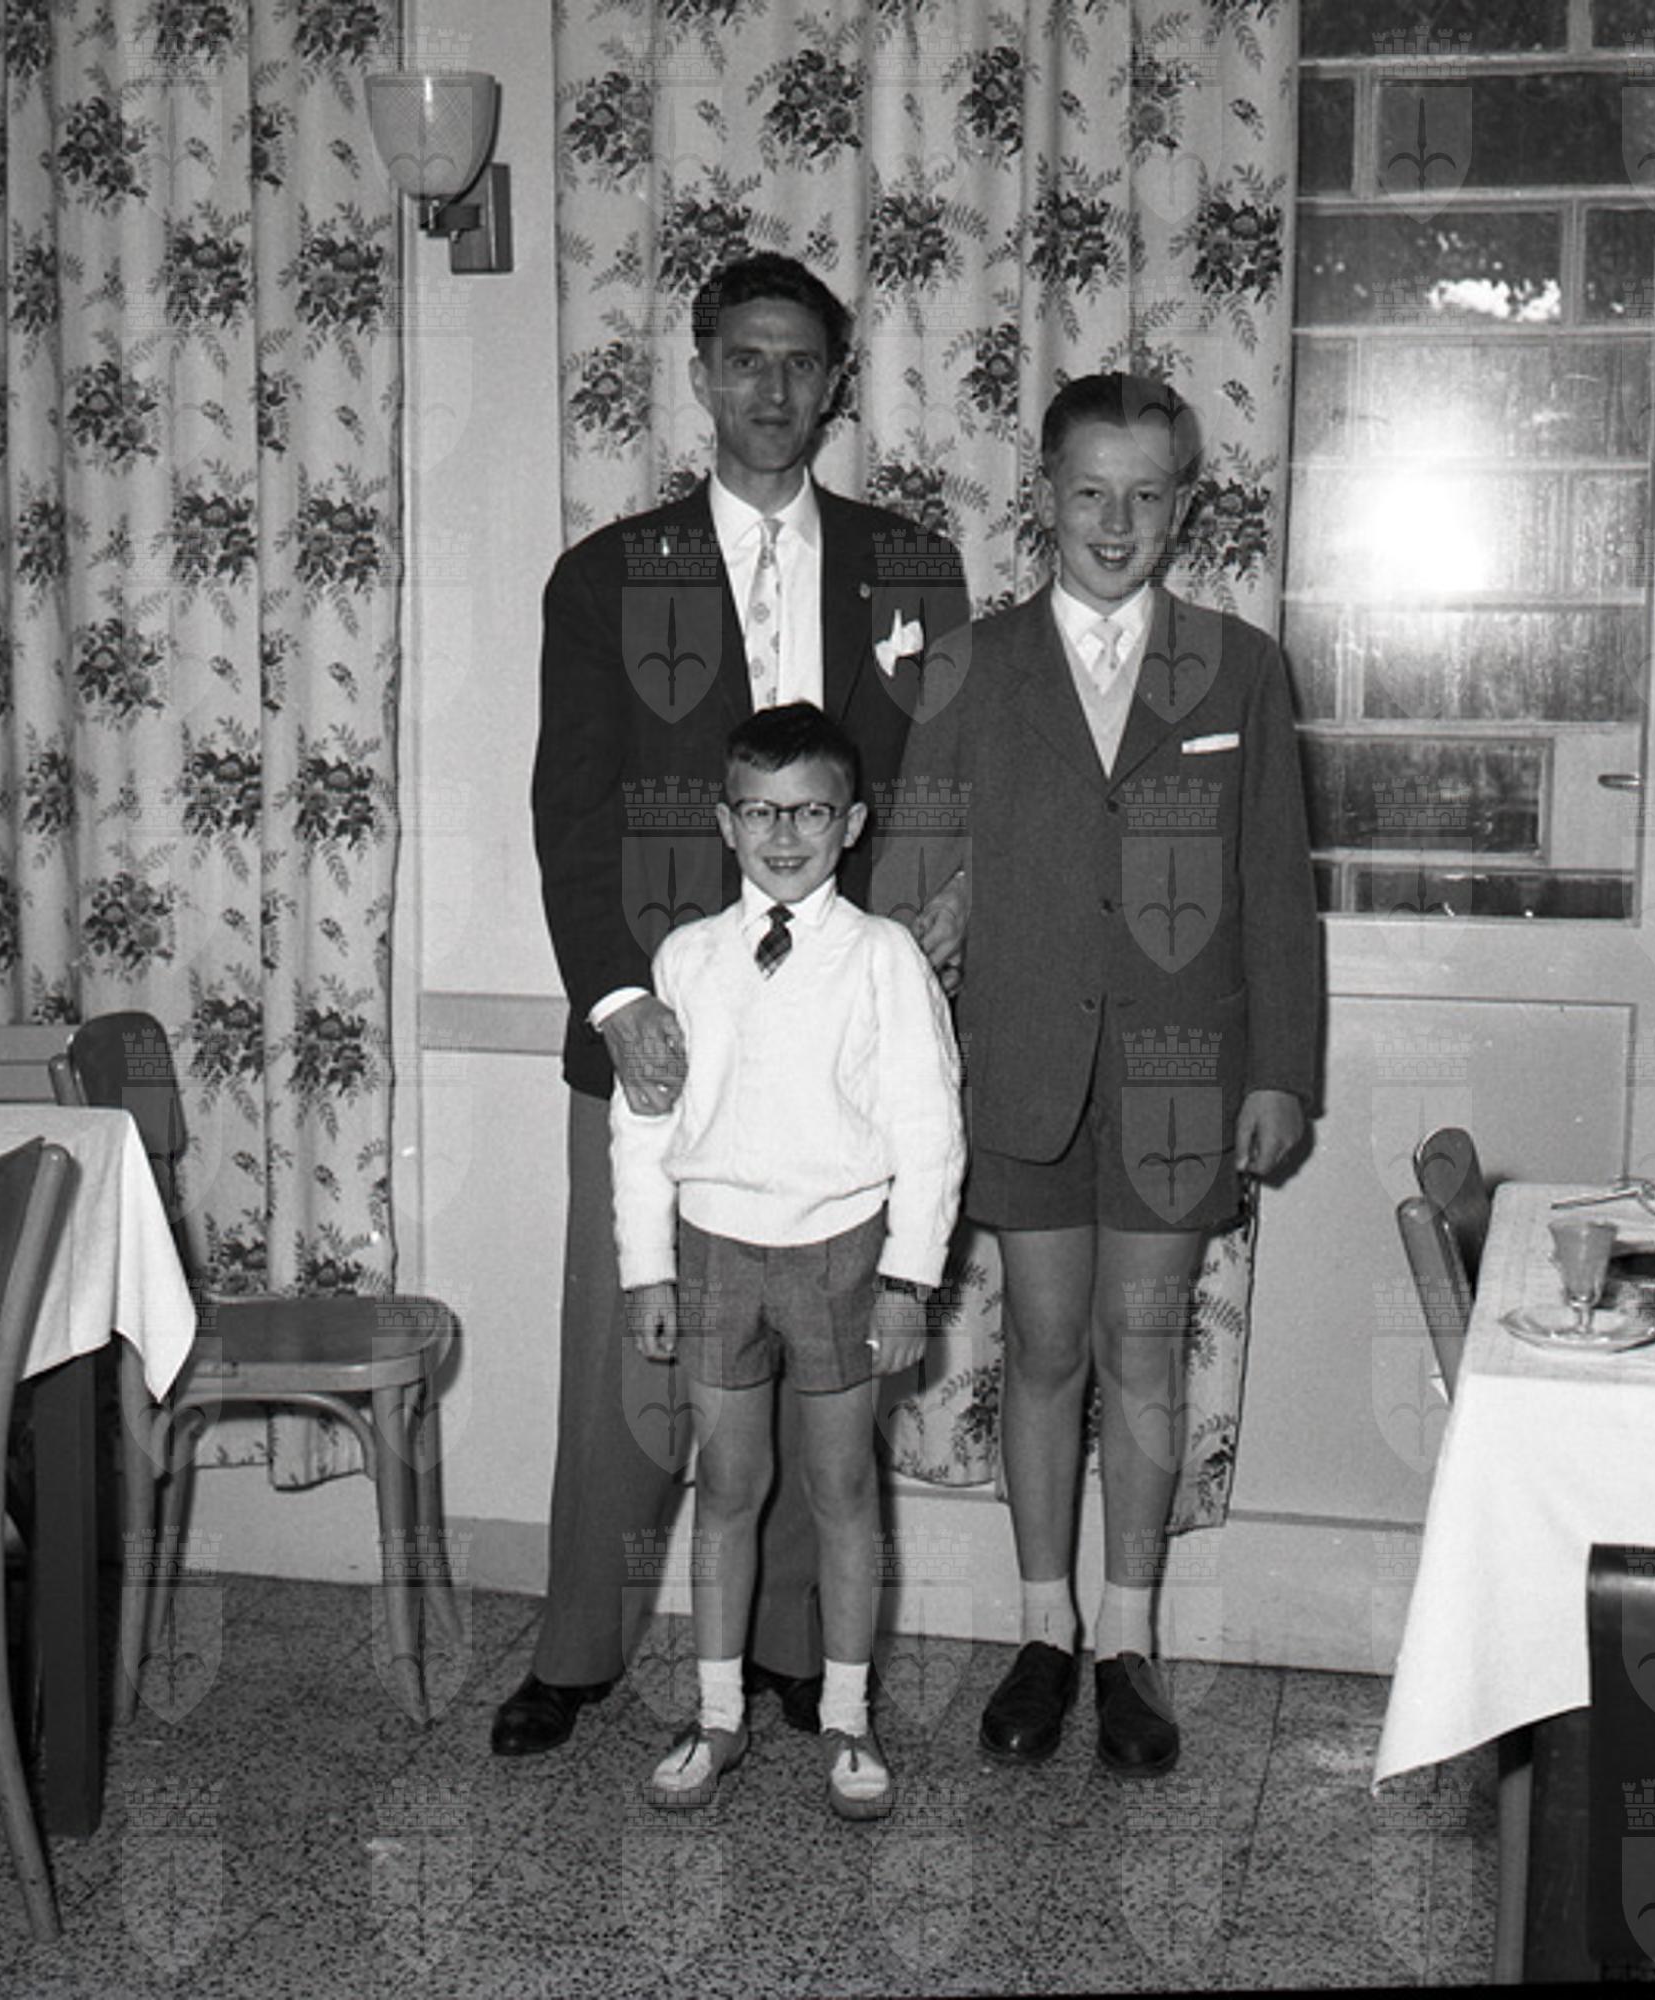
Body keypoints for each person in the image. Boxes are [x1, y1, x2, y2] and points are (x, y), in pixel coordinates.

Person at [509, 253, 968, 1756]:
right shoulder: (605, 574)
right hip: (666, 1031)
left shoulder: (910, 567)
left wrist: (925, 945)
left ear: (835, 384)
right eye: (746, 359)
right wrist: (616, 998)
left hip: (837, 1041)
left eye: (802, 362)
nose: (774, 388)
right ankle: (579, 1649)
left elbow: (935, 787)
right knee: (636, 1365)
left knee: (819, 1377)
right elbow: (569, 808)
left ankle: (787, 1654)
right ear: (701, 372)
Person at [883, 373, 1319, 1775]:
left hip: (1184, 1076)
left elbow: (1276, 885)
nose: (1115, 522)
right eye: (1088, 492)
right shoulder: (969, 665)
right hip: (1020, 1064)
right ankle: (1041, 1631)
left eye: (1145, 495)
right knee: (1043, 1347)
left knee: (1143, 1346)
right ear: (1045, 498)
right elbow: (908, 879)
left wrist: (1281, 1069)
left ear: (1182, 507)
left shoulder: (1238, 667)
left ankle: (1128, 1641)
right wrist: (922, 946)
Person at [612, 701, 964, 1816]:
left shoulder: (883, 957)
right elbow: (644, 1124)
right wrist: (646, 1265)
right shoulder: (687, 957)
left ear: (850, 823)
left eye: (810, 811)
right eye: (759, 812)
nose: (783, 834)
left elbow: (930, 1129)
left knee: (843, 1484)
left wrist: (909, 1279)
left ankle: (848, 1717)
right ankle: (717, 1714)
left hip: (842, 1255)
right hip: (718, 1252)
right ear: (725, 822)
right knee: (726, 1484)